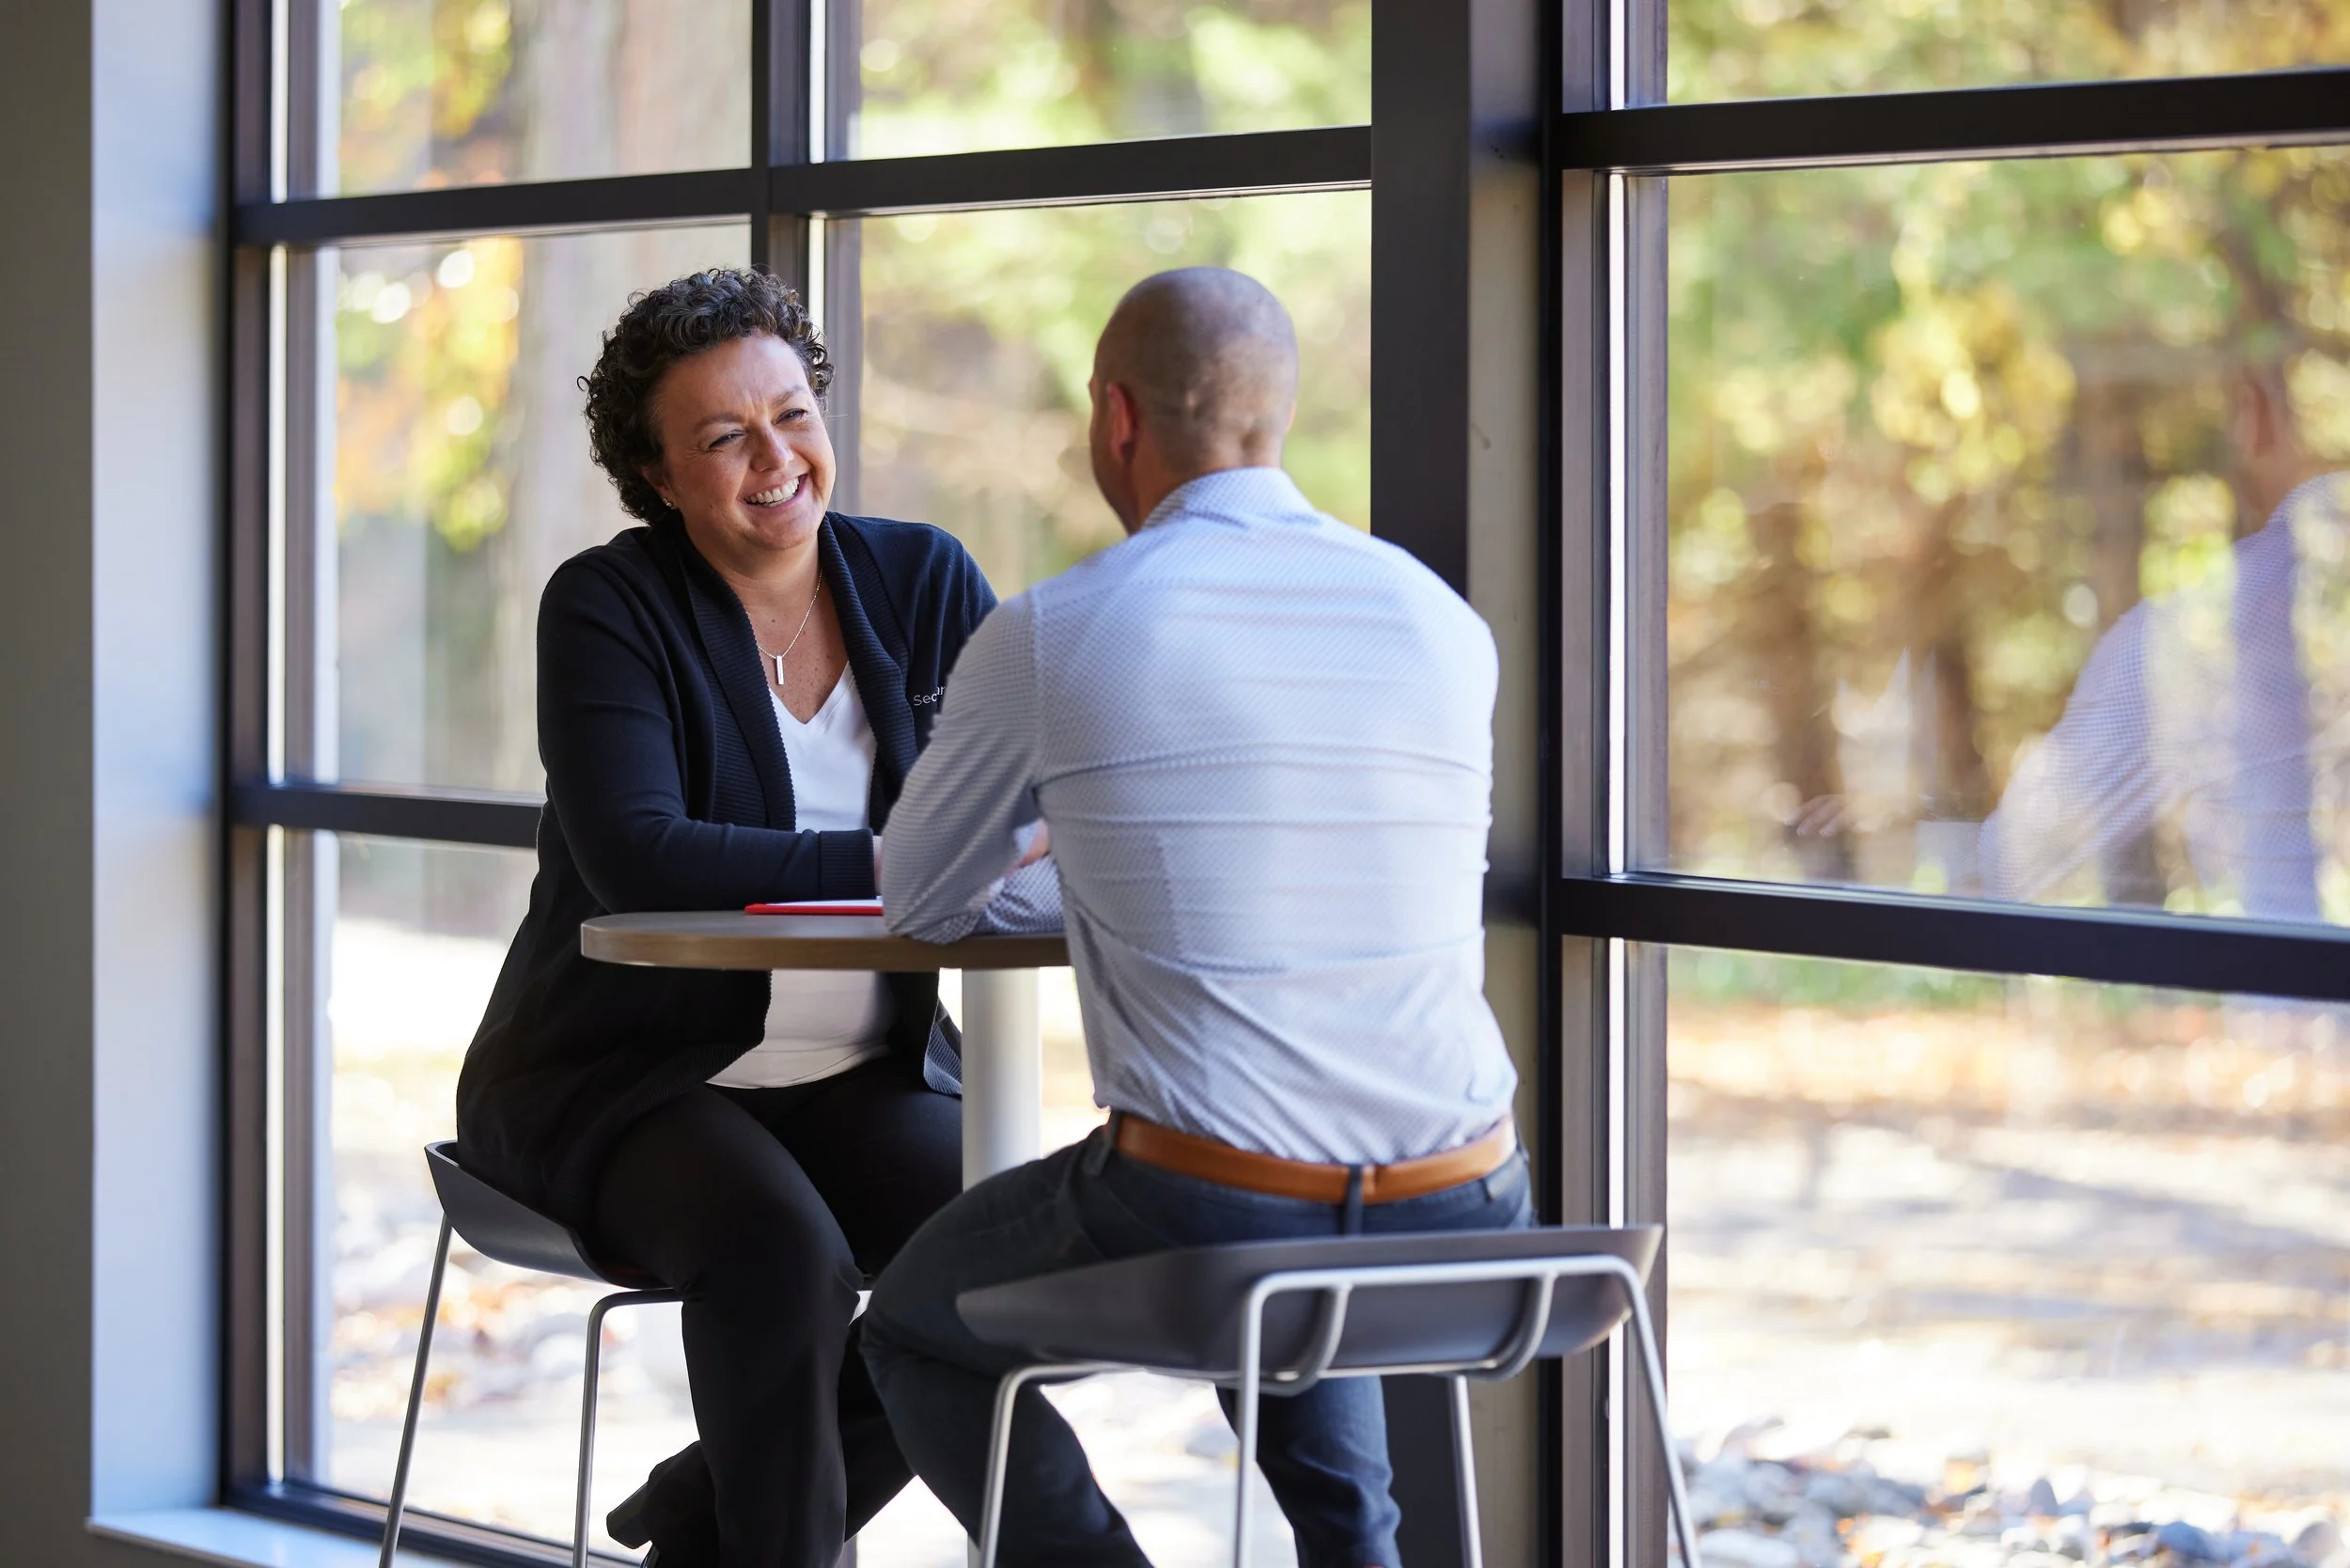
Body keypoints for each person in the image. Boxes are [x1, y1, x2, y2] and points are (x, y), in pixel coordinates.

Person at [859, 267, 1528, 1568]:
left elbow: (921, 896)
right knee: (1281, 1221)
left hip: (1223, 1217)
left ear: (1117, 415)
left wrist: (1066, 846)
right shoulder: (1439, 621)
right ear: (1277, 415)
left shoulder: (1061, 628)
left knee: (915, 1330)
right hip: (1475, 1208)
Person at [454, 267, 1041, 1568]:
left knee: (1014, 1249)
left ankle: (703, 1515)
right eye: (723, 439)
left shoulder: (925, 581)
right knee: (782, 1256)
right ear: (659, 476)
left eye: (791, 414)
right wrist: (913, 857)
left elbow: (1031, 807)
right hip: (621, 1075)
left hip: (857, 1071)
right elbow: (643, 857)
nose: (776, 459)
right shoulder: (609, 606)